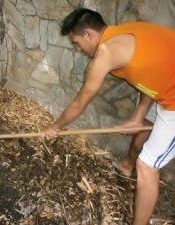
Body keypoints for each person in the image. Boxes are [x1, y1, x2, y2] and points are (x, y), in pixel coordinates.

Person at [44, 8, 175, 225]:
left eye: (76, 43)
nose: (78, 49)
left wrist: (55, 127)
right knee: (144, 123)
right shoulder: (127, 31)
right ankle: (126, 164)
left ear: (89, 35)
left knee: (148, 167)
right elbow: (153, 74)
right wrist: (137, 117)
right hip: (166, 84)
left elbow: (80, 103)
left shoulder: (106, 53)